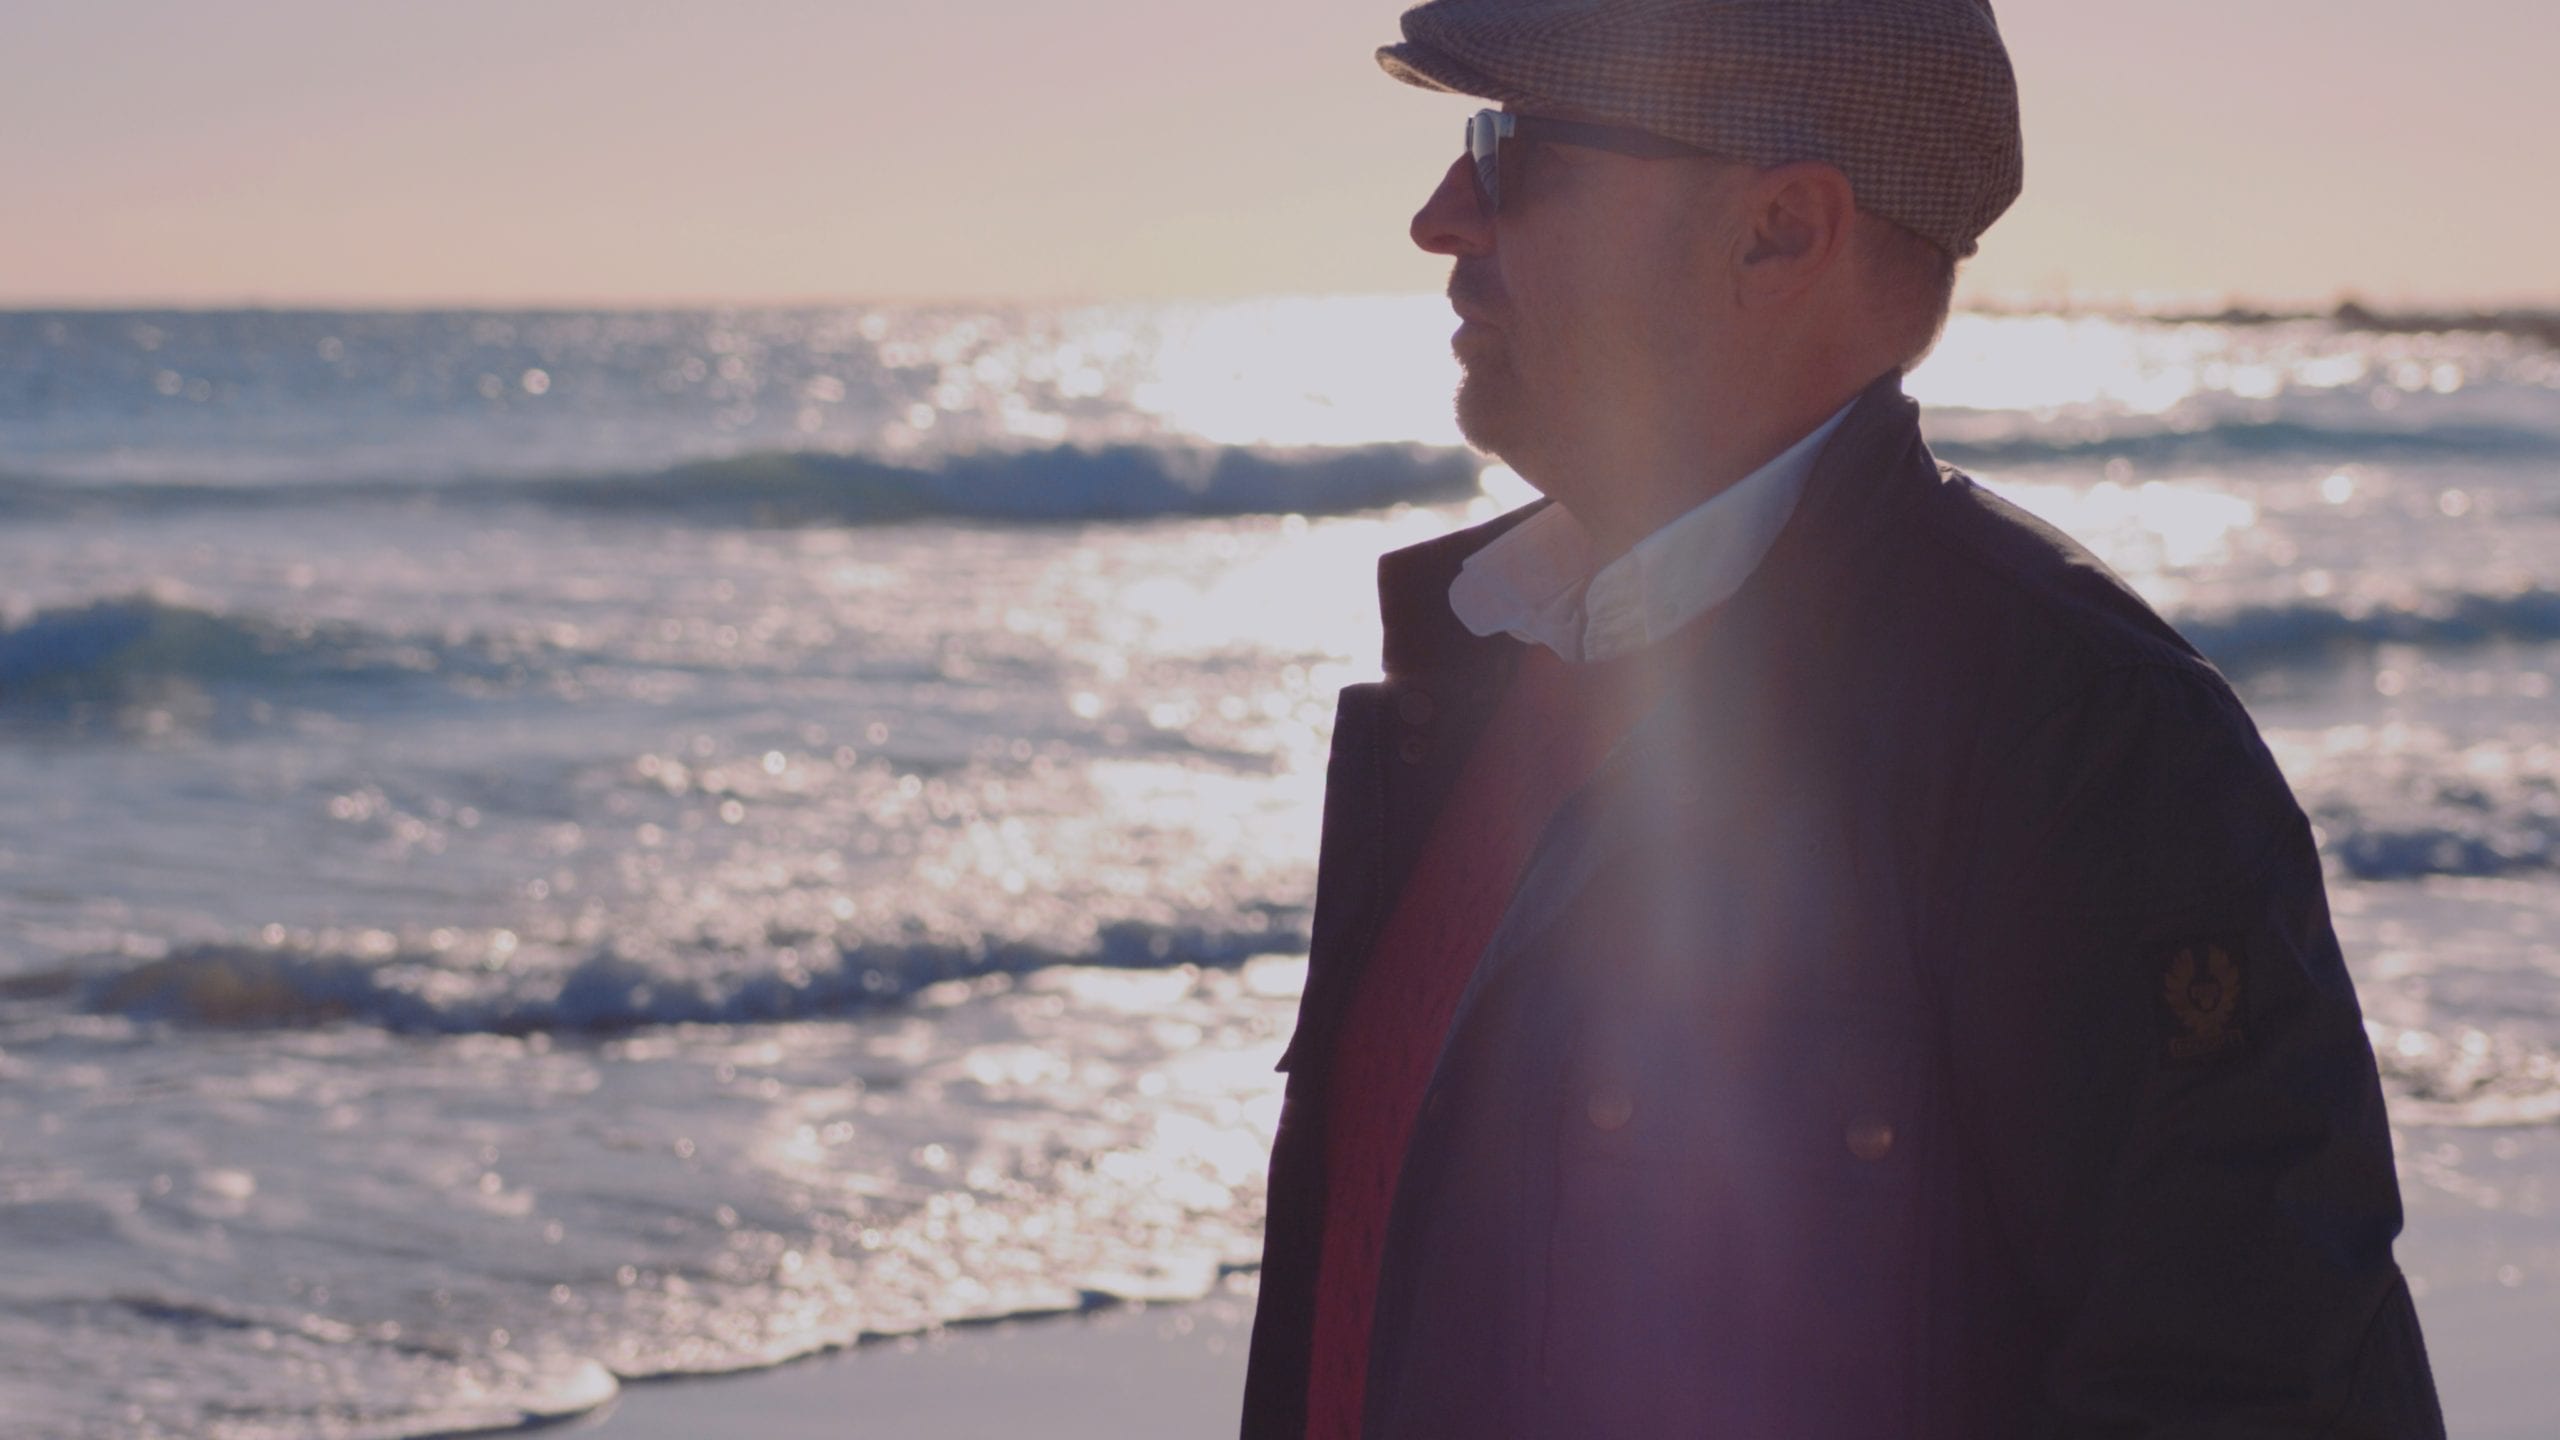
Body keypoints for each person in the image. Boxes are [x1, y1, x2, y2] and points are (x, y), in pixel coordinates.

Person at [1238, 0, 2447, 1436]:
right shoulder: (1485, 668)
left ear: (1783, 232)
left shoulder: (2084, 740)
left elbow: (2251, 1391)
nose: (1444, 217)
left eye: (1517, 151)